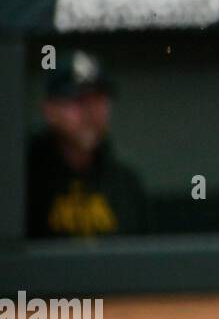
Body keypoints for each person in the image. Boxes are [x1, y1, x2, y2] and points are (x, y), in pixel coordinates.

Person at [27, 51, 148, 239]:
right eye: (79, 101)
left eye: (98, 100)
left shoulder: (125, 185)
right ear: (50, 110)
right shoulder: (25, 183)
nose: (91, 113)